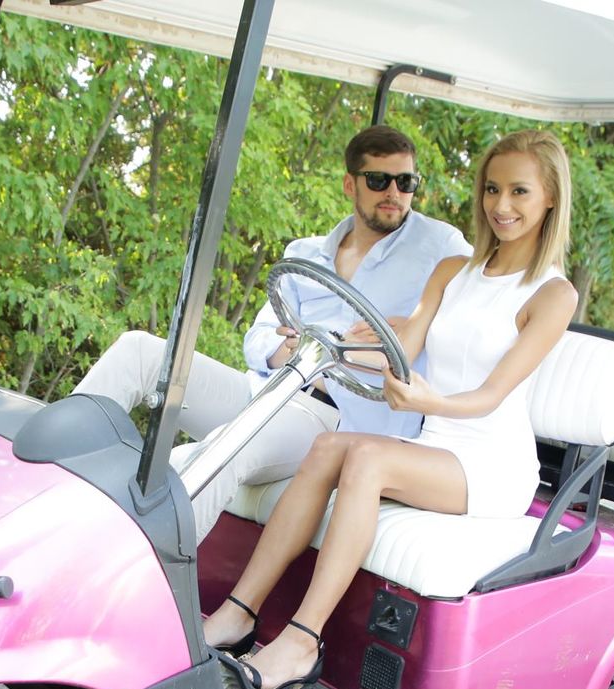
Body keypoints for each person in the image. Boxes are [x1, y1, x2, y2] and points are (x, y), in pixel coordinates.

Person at [203, 129, 579, 689]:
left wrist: (429, 402)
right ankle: (239, 611)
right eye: (492, 189)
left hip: (490, 464)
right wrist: (322, 346)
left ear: (550, 198)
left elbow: (491, 395)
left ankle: (302, 639)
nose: (501, 205)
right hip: (435, 444)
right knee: (328, 447)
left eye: (519, 192)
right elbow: (398, 351)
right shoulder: (453, 270)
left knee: (368, 460)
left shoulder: (553, 294)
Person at [73, 125, 471, 538]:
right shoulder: (306, 253)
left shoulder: (440, 245)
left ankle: (143, 561)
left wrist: (417, 323)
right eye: (378, 180)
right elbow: (258, 338)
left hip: (329, 415)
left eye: (406, 182)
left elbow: (490, 288)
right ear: (350, 184)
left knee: (228, 446)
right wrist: (292, 350)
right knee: (138, 350)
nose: (394, 193)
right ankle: (57, 480)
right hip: (266, 388)